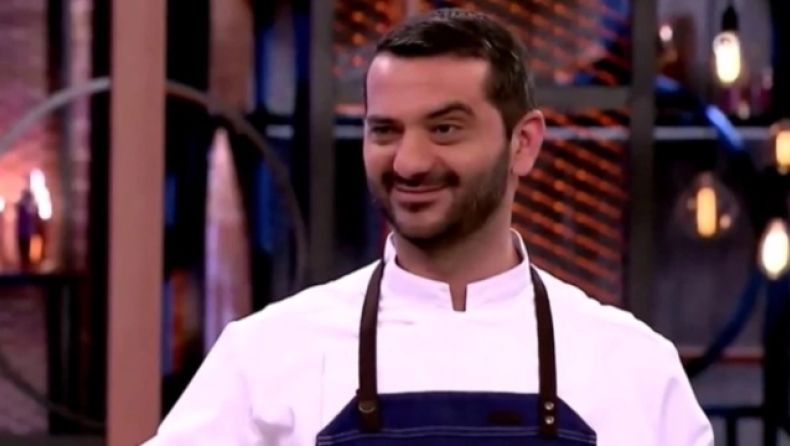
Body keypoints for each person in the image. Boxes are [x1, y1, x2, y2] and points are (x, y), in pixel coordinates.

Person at [144, 8, 713, 446]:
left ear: (523, 144)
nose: (409, 162)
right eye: (385, 131)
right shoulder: (267, 356)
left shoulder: (632, 367)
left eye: (444, 129)